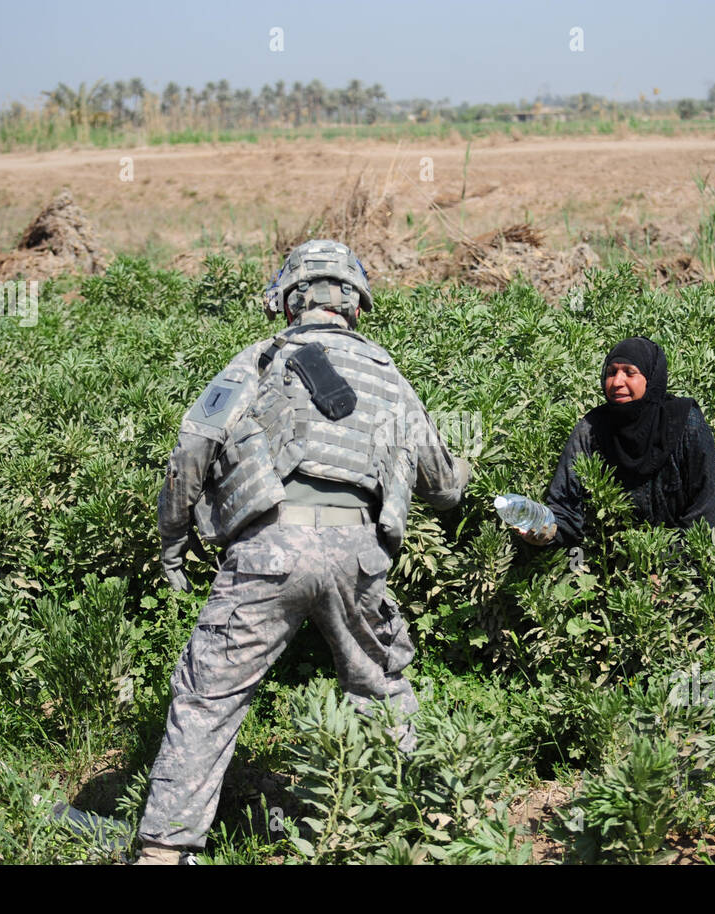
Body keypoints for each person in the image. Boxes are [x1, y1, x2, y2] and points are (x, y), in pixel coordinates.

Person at [135, 239, 470, 864]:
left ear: (289, 300)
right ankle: (421, 830)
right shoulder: (390, 375)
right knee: (381, 690)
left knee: (209, 699)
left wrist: (173, 542)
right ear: (356, 304)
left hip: (270, 551)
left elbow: (191, 450)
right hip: (359, 557)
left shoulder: (258, 360)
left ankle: (164, 851)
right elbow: (446, 488)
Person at [518, 335, 715, 549]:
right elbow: (566, 505)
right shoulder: (591, 429)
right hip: (617, 556)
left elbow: (706, 510)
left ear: (651, 378)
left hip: (688, 554)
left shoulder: (686, 423)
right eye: (611, 372)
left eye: (629, 372)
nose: (617, 382)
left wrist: (666, 560)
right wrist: (548, 530)